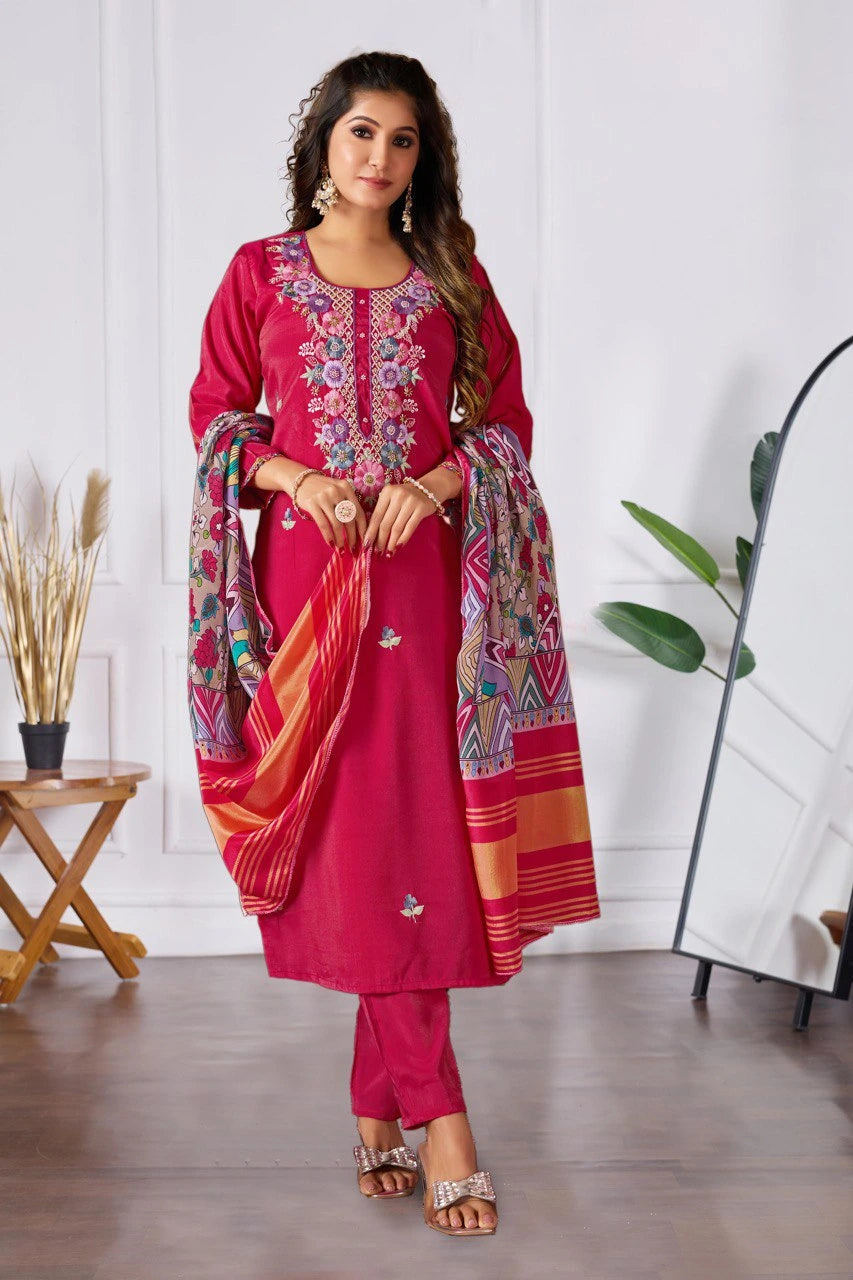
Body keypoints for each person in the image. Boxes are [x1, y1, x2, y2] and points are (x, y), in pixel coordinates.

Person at [187, 51, 599, 1238]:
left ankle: (402, 1109)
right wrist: (295, 478)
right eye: (360, 132)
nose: (378, 157)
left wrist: (440, 476)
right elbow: (216, 414)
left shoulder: (449, 272)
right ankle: (427, 1112)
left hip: (424, 590)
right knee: (356, 837)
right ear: (321, 140)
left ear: (424, 157)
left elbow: (505, 420)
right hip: (314, 589)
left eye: (402, 139)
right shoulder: (258, 274)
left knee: (412, 831)